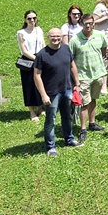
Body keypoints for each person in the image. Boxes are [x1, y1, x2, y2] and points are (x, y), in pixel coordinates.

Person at [33, 28, 81, 156]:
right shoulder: (42, 54)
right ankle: (50, 147)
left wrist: (77, 83)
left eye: (58, 36)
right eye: (53, 36)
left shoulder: (66, 48)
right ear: (48, 37)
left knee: (67, 116)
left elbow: (72, 66)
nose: (56, 38)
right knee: (51, 120)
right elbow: (37, 75)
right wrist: (43, 94)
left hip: (67, 89)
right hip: (51, 93)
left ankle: (69, 139)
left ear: (61, 37)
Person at [69, 14, 108, 144]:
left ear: (94, 23)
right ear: (81, 24)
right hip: (83, 77)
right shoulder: (75, 41)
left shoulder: (100, 36)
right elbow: (71, 60)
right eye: (86, 23)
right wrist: (76, 81)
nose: (88, 26)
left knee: (93, 99)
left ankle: (92, 123)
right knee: (84, 104)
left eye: (90, 23)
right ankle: (83, 129)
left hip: (97, 74)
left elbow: (104, 50)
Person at [17, 10, 45, 122]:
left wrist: (43, 57)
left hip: (39, 57)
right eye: (29, 18)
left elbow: (43, 44)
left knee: (39, 83)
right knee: (28, 85)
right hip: (28, 61)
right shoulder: (21, 33)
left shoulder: (39, 30)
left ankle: (40, 107)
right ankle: (32, 112)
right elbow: (24, 51)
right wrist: (37, 59)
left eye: (34, 18)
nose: (32, 20)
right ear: (25, 20)